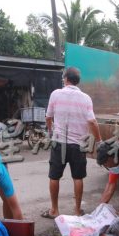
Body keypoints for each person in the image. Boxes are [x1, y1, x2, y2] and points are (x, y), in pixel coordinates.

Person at [42, 67, 101, 219]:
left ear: (66, 79)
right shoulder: (86, 98)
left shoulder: (55, 94)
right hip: (78, 144)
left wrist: (51, 131)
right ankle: (77, 210)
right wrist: (99, 140)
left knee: (54, 177)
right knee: (78, 177)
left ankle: (54, 210)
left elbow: (48, 117)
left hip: (59, 142)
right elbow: (93, 122)